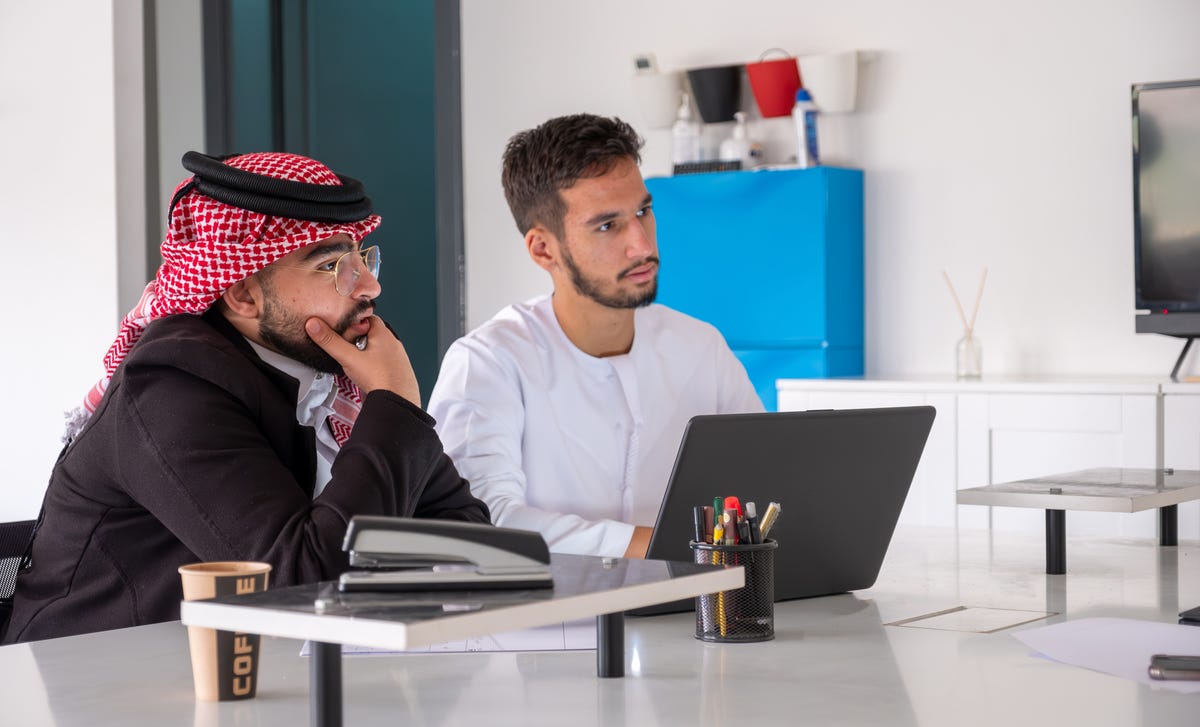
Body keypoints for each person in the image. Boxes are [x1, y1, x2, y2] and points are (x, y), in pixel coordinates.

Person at [3, 152, 489, 643]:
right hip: (91, 690)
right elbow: (297, 586)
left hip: (263, 681)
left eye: (363, 257)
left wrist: (388, 409)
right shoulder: (171, 387)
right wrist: (395, 404)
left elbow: (468, 535)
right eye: (331, 266)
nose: (369, 285)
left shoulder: (336, 372)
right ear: (242, 294)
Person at [427, 114, 762, 559]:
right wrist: (670, 548)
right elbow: (483, 524)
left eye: (643, 211)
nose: (642, 245)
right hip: (540, 625)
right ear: (543, 249)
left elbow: (763, 485)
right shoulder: (488, 362)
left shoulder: (700, 346)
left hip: (681, 619)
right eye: (607, 226)